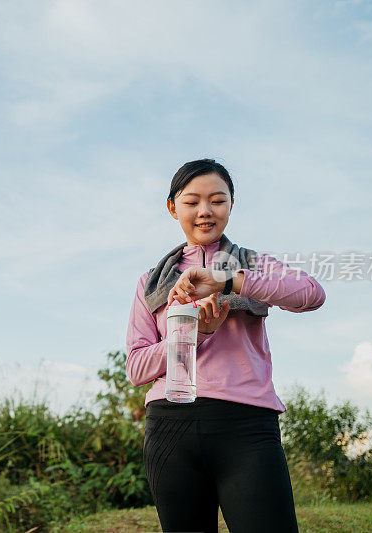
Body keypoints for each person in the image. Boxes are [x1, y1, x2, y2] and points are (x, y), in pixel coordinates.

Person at [125, 158, 326, 533]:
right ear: (173, 208)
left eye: (217, 200)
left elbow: (312, 294)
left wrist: (226, 281)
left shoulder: (252, 266)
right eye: (191, 201)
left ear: (231, 205)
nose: (205, 211)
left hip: (247, 427)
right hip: (171, 428)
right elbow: (137, 368)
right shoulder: (150, 282)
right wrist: (194, 334)